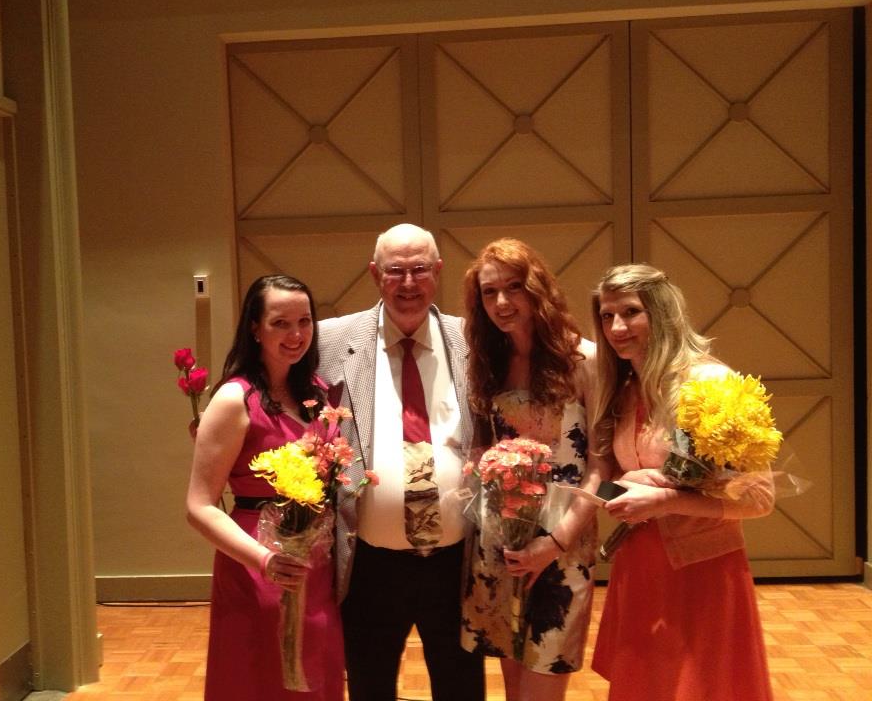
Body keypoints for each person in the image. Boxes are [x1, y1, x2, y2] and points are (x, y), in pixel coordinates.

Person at [588, 263, 774, 701]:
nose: (616, 328)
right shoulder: (623, 389)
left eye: (630, 312)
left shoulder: (711, 384)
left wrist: (665, 501)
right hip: (640, 565)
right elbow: (618, 477)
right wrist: (619, 486)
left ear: (661, 312)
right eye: (607, 316)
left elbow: (760, 498)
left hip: (702, 571)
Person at [317, 223, 485, 701]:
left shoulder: (473, 339)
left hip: (455, 563)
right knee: (369, 687)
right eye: (395, 271)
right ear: (375, 274)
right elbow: (267, 379)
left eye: (419, 269)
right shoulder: (330, 340)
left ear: (438, 271)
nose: (408, 283)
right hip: (369, 564)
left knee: (461, 689)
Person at [185, 274, 344, 701]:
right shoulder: (234, 400)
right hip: (257, 560)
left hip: (315, 560)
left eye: (304, 321)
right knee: (258, 676)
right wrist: (264, 559)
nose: (296, 335)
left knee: (315, 673)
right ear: (255, 328)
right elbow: (198, 506)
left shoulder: (318, 394)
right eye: (280, 323)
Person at [459, 238, 605, 701]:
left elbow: (599, 466)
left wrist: (555, 541)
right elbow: (484, 447)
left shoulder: (583, 359)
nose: (501, 302)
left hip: (563, 543)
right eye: (489, 292)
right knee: (514, 688)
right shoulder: (489, 363)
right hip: (502, 541)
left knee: (544, 682)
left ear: (537, 288)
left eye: (514, 287)